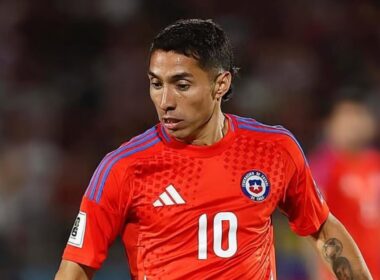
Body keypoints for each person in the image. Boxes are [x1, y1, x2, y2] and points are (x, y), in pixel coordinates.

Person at [55, 19, 372, 280]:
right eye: (156, 83)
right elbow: (76, 267)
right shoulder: (124, 167)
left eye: (181, 85)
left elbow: (320, 228)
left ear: (221, 84)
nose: (165, 101)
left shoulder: (274, 149)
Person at [309, 95, 380, 279]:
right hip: (347, 273)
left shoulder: (376, 163)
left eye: (358, 116)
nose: (353, 125)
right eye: (346, 118)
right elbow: (312, 227)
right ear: (330, 124)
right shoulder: (323, 168)